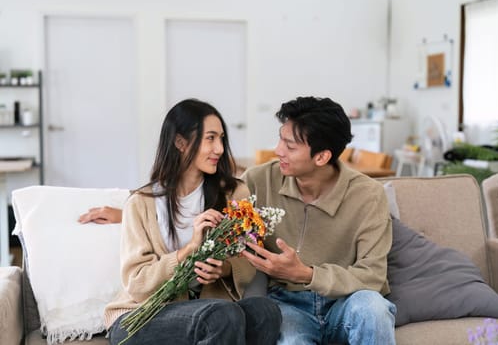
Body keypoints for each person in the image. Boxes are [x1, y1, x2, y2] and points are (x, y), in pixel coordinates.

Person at [104, 98, 281, 345]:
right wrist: (188, 251)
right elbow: (136, 284)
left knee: (265, 312)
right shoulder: (141, 203)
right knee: (220, 315)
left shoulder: (234, 194)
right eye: (210, 138)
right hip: (140, 315)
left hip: (211, 311)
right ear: (180, 143)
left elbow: (247, 258)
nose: (219, 148)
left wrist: (225, 268)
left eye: (221, 138)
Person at [239, 96, 396, 345]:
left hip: (345, 301)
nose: (278, 150)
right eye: (281, 138)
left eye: (290, 146)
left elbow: (373, 276)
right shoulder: (258, 180)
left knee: (373, 309)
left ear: (321, 157)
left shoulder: (368, 194)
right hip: (286, 303)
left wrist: (307, 274)